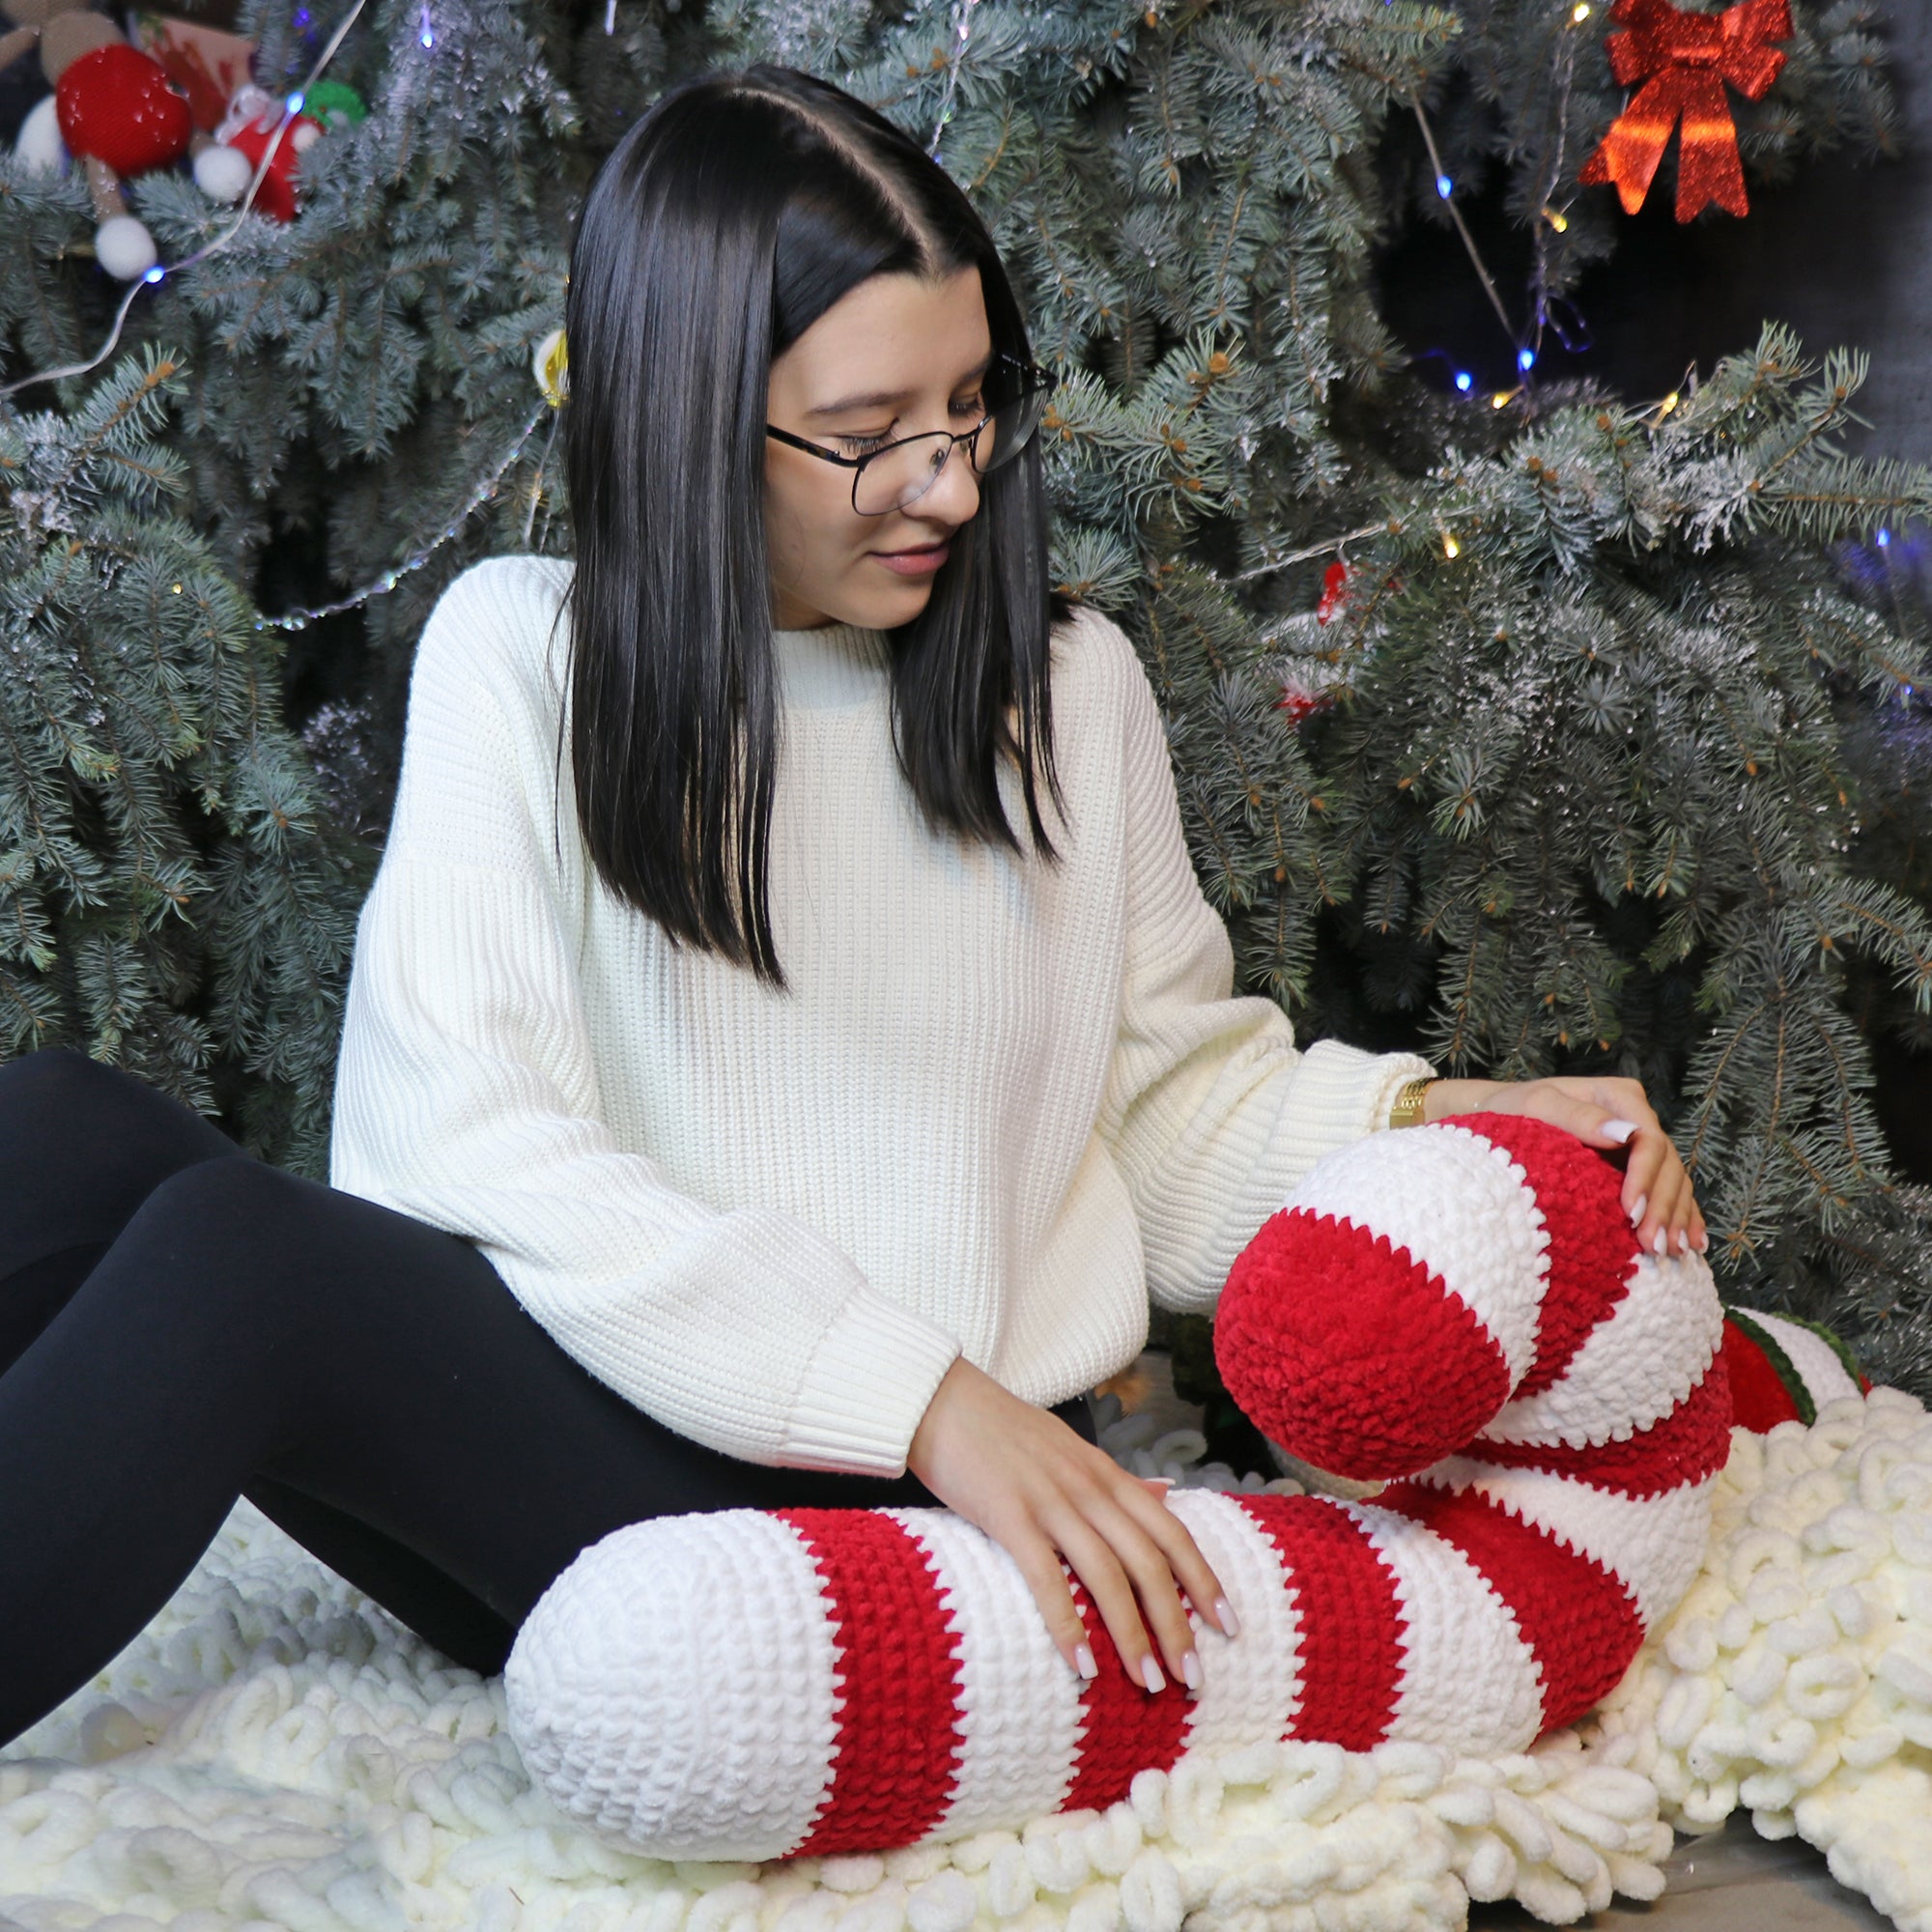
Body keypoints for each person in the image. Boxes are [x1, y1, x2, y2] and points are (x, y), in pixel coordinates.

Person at [0, 63, 1706, 1754]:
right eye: (868, 437)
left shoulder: (1066, 689)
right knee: (53, 1131)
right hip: (647, 1418)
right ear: (685, 411)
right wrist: (915, 1384)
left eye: (970, 408)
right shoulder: (526, 656)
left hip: (871, 1515)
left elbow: (1165, 1103)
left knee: (236, 1267)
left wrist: (1438, 1122)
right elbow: (457, 1138)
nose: (950, 487)